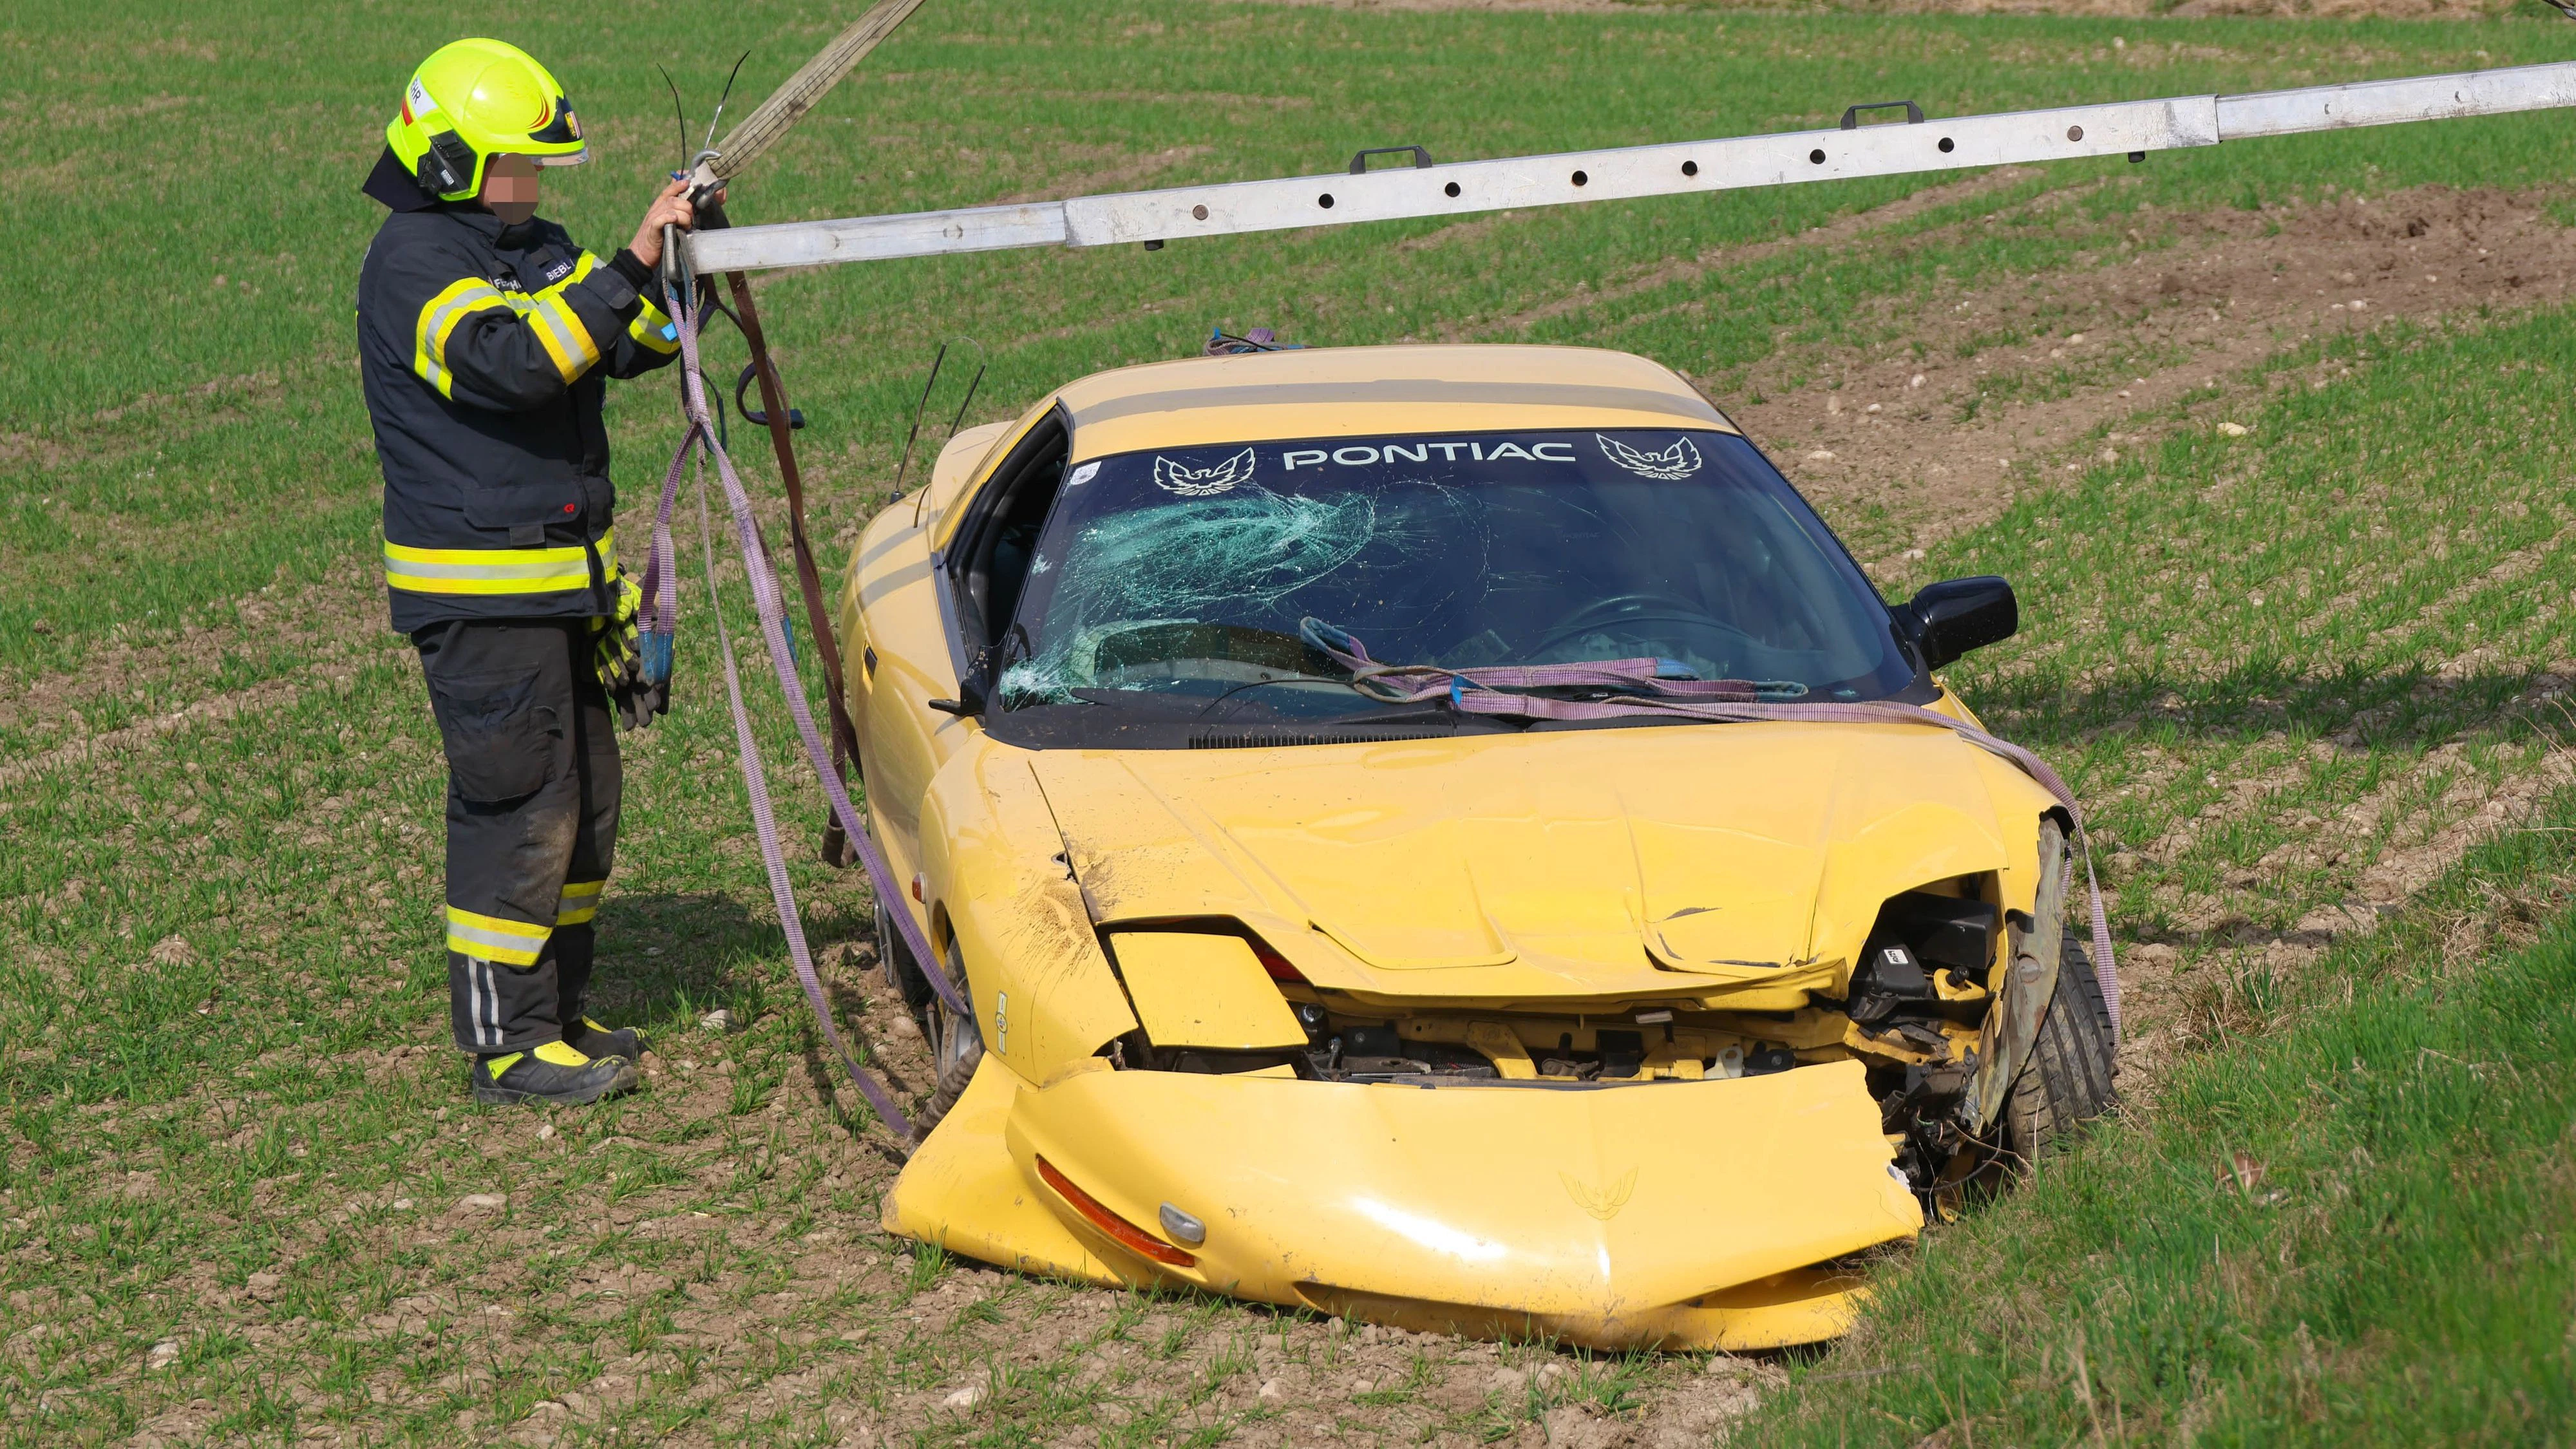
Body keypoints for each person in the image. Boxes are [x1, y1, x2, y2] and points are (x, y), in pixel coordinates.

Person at [356, 37, 706, 1105]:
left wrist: (690, 264)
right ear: (453, 160)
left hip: (562, 582)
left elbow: (627, 337)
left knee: (586, 804)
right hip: (480, 593)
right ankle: (506, 1047)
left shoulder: (533, 243)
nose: (536, 182)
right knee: (520, 803)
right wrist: (632, 260)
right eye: (520, 162)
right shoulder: (412, 265)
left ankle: (560, 1013)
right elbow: (512, 364)